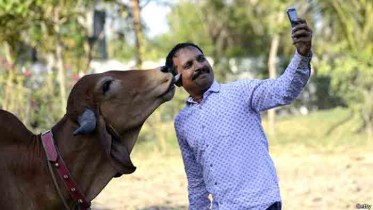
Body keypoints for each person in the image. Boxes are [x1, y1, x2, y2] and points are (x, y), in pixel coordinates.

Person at [166, 18, 313, 210]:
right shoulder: (182, 122)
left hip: (261, 204)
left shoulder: (241, 92)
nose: (199, 66)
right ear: (177, 81)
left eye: (201, 59)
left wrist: (302, 54)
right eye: (188, 65)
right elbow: (196, 182)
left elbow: (284, 90)